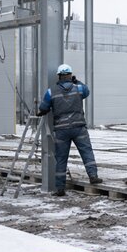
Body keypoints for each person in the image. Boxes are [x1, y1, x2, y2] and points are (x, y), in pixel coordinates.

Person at [37, 63, 103, 197]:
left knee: (61, 158)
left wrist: (41, 111)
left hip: (61, 130)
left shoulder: (51, 91)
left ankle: (60, 188)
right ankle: (93, 176)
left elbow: (44, 108)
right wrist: (76, 81)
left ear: (59, 76)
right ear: (70, 75)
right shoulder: (78, 88)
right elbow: (87, 90)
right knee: (86, 152)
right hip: (79, 127)